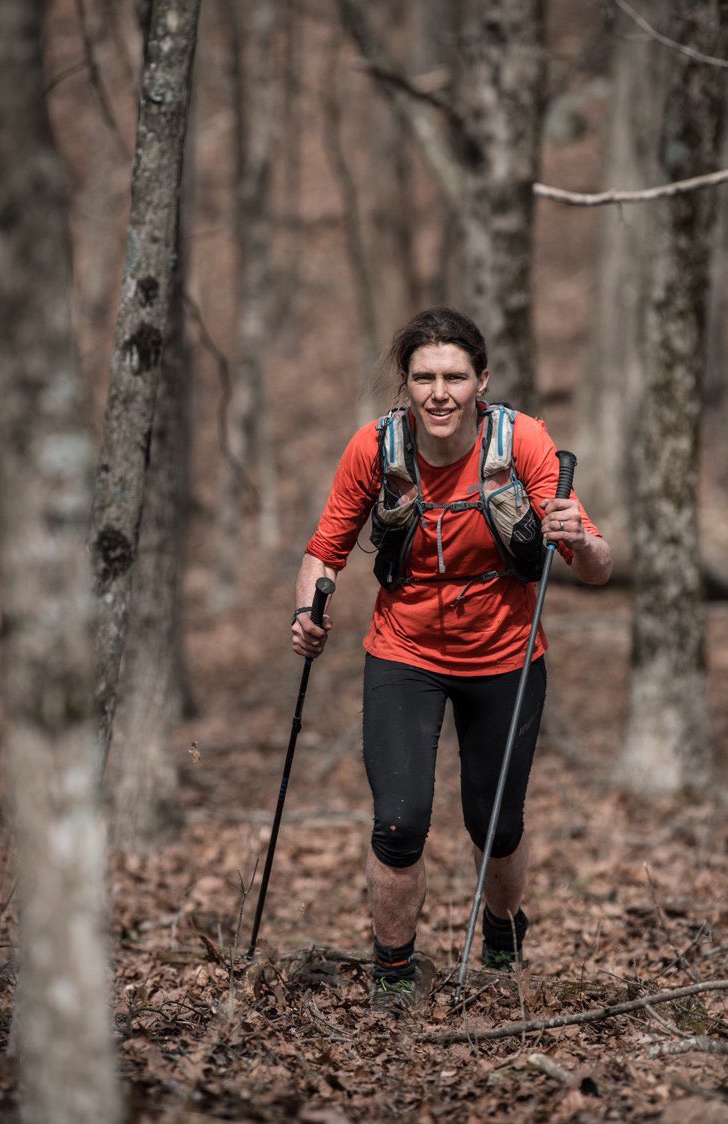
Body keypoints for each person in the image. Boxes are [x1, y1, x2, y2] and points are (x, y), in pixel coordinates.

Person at [291, 307, 612, 1013]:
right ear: (405, 385)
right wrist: (305, 612)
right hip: (403, 651)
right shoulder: (374, 449)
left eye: (455, 377)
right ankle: (395, 972)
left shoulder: (523, 442)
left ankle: (501, 931)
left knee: (494, 823)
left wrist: (577, 539)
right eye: (424, 377)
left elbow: (597, 565)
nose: (439, 392)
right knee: (399, 821)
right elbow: (324, 550)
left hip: (506, 654)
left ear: (482, 381)